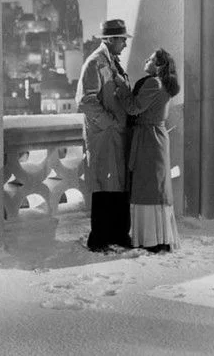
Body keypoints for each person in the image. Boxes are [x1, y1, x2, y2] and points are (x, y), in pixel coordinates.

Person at [114, 49, 182, 253]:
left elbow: (133, 108)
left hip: (148, 139)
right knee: (156, 187)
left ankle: (150, 239)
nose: (147, 60)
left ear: (159, 66)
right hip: (155, 138)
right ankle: (159, 238)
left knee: (147, 187)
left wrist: (121, 86)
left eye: (151, 59)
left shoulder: (153, 83)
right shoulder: (164, 84)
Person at [76, 19, 133, 252]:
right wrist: (110, 122)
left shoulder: (112, 63)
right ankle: (99, 238)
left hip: (115, 136)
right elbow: (85, 101)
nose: (125, 44)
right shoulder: (94, 63)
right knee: (104, 188)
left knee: (117, 186)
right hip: (105, 137)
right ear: (110, 40)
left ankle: (119, 234)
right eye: (122, 40)